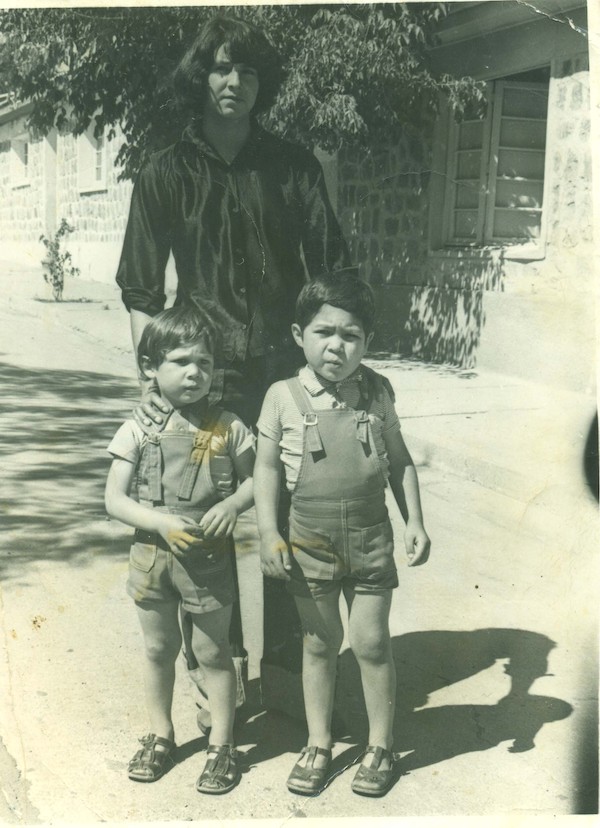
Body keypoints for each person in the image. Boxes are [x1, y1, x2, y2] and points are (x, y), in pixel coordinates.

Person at [115, 14, 350, 720]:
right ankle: (208, 665)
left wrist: (332, 361)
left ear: (261, 84)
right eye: (221, 68)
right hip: (202, 386)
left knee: (290, 508)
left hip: (284, 377)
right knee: (203, 516)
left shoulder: (294, 166)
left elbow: (331, 268)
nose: (234, 82)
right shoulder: (165, 171)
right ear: (201, 76)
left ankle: (284, 664)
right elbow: (138, 288)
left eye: (247, 71)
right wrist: (155, 384)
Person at [254, 271, 431, 797]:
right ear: (297, 334)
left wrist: (414, 521)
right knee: (319, 642)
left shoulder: (377, 393)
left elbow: (399, 462)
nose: (336, 345)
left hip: (372, 537)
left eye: (350, 335)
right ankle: (318, 742)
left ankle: (380, 745)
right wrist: (268, 531)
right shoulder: (282, 396)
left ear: (367, 342)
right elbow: (264, 469)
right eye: (323, 332)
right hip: (309, 539)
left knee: (373, 643)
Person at [105, 305, 255, 794]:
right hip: (152, 555)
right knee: (157, 648)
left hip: (207, 558)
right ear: (150, 367)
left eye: (205, 363)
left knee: (214, 652)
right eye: (181, 362)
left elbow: (260, 481)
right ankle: (160, 734)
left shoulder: (228, 426)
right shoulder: (138, 428)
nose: (195, 373)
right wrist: (162, 524)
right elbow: (114, 500)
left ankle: (223, 745)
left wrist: (233, 503)